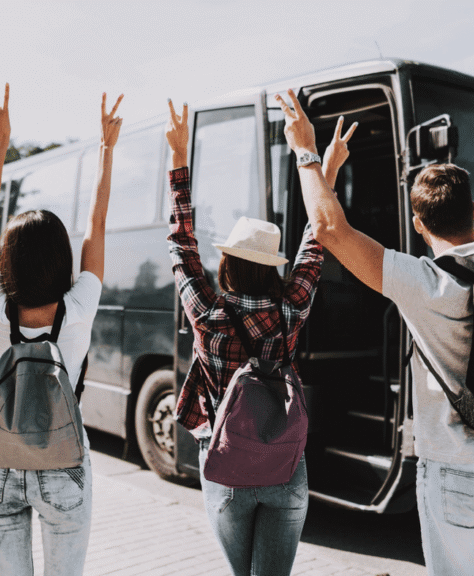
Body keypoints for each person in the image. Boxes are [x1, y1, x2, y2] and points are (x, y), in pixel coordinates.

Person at [276, 54, 474, 575]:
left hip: (457, 473)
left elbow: (330, 229)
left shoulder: (421, 281)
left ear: (419, 226)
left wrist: (307, 153)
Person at [165, 98, 334, 576]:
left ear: (226, 264)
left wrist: (179, 159)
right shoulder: (290, 310)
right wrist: (327, 168)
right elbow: (316, 241)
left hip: (227, 468)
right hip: (287, 469)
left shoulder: (207, 314)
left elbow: (181, 243)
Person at [0, 83, 122, 576]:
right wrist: (105, 149)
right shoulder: (78, 307)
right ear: (63, 261)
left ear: (7, 262)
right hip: (63, 466)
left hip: (0, 465)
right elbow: (96, 224)